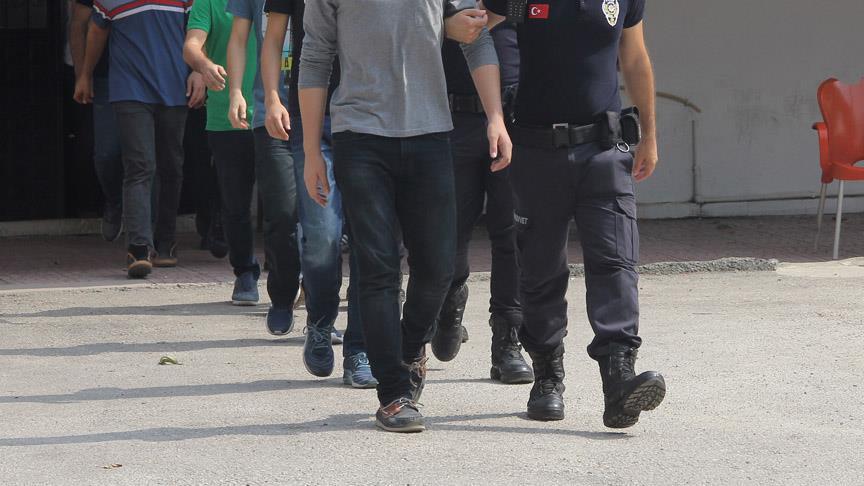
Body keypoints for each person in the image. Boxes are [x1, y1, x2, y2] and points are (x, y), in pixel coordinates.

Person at [299, 0, 511, 432]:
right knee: (378, 269)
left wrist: (495, 117)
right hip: (359, 136)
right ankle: (394, 393)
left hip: (430, 134)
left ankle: (411, 348)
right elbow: (316, 57)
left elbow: (477, 36)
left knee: (438, 267)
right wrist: (310, 151)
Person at [481, 0, 665, 427]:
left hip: (604, 150)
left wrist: (650, 135)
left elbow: (635, 58)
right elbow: (477, 30)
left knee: (616, 262)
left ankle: (618, 380)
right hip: (536, 151)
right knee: (541, 269)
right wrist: (492, 114)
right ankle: (547, 375)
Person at [259, 0, 376, 388]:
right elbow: (274, 38)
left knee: (368, 240)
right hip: (312, 119)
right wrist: (272, 98)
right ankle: (321, 323)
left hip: (370, 118)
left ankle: (359, 349)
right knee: (322, 234)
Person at [433, 16, 534, 385]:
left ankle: (507, 342)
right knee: (450, 231)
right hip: (451, 116)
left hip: (515, 116)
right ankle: (449, 299)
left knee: (511, 233)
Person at [74, 0, 205, 278]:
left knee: (171, 166)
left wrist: (198, 71)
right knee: (140, 166)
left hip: (175, 87)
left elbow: (198, 31)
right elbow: (96, 32)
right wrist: (85, 74)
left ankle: (166, 239)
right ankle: (139, 247)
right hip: (129, 89)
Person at [183, 0, 262, 305]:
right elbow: (192, 44)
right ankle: (245, 272)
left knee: (284, 204)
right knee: (235, 203)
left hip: (276, 112)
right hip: (227, 116)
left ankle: (286, 274)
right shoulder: (209, 2)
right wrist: (203, 66)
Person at [69, 0, 123, 242]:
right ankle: (115, 201)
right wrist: (83, 74)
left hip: (152, 77)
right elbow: (78, 25)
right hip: (105, 76)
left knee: (149, 157)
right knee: (106, 153)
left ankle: (148, 233)